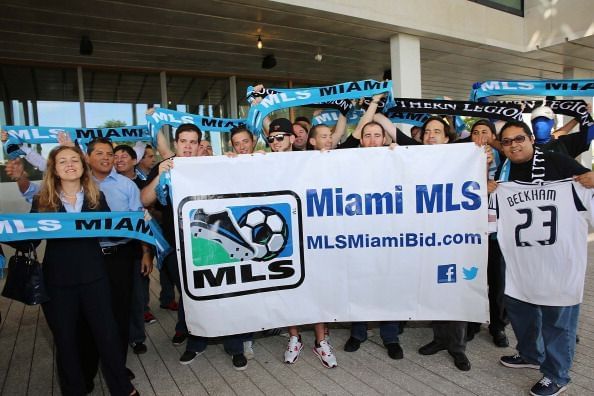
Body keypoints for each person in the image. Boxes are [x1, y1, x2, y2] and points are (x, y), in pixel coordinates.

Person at [19, 145, 137, 395]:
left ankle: (122, 388)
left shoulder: (97, 197)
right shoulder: (43, 200)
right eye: (62, 161)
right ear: (55, 169)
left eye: (75, 159)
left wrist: (137, 225)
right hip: (58, 282)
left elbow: (111, 233)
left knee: (108, 337)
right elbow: (31, 240)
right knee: (66, 342)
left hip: (95, 278)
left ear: (83, 167)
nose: (70, 164)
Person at [491, 120, 594, 396]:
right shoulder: (505, 174)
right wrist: (486, 192)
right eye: (507, 141)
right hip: (521, 264)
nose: (514, 145)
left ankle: (557, 375)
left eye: (519, 138)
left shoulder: (558, 162)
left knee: (557, 320)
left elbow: (589, 192)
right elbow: (488, 218)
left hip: (559, 262)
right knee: (521, 311)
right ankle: (529, 355)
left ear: (531, 139)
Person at [142, 123, 249, 370]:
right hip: (178, 249)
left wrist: (234, 160)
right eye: (183, 141)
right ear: (176, 143)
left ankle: (235, 347)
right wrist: (160, 173)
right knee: (191, 299)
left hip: (212, 243)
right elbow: (144, 200)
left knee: (225, 294)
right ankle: (196, 344)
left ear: (199, 144)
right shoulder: (165, 167)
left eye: (193, 142)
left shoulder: (211, 165)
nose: (188, 146)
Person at [342, 120, 404, 360]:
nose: (372, 140)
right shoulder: (348, 162)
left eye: (377, 135)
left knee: (389, 284)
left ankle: (390, 336)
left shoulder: (398, 159)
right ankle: (358, 333)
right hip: (358, 235)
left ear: (385, 139)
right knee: (359, 283)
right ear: (360, 140)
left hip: (390, 235)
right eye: (367, 135)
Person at [415, 116, 472, 372]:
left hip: (453, 239)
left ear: (447, 138)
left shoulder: (461, 160)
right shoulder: (413, 160)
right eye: (427, 132)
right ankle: (439, 338)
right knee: (434, 290)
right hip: (425, 240)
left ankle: (457, 348)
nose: (431, 136)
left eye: (437, 132)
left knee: (454, 291)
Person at [283, 123, 338, 369]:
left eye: (330, 136)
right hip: (292, 235)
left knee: (319, 288)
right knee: (291, 288)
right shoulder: (294, 161)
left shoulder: (342, 160)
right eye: (324, 136)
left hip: (322, 237)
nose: (328, 140)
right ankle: (294, 337)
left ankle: (321, 341)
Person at [465, 120, 509, 347]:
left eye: (485, 132)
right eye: (475, 132)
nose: (480, 136)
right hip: (470, 231)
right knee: (474, 279)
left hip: (495, 233)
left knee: (496, 280)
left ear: (493, 136)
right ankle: (473, 323)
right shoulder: (461, 158)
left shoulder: (506, 161)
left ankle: (497, 326)